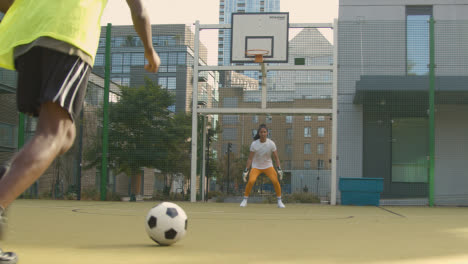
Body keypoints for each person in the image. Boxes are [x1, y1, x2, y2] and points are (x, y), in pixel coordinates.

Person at [0, 0, 160, 263]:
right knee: (54, 132)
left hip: (25, 37)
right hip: (68, 32)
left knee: (66, 134)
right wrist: (149, 50)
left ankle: (7, 177)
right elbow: (138, 9)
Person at [240, 124, 285, 208]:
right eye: (261, 132)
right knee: (251, 181)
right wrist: (246, 170)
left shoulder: (271, 144)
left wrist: (279, 169)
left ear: (267, 133)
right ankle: (245, 200)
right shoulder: (254, 144)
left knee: (275, 181)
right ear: (259, 133)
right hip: (256, 166)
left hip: (268, 166)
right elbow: (250, 158)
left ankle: (279, 201)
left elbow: (276, 158)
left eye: (264, 132)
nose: (263, 134)